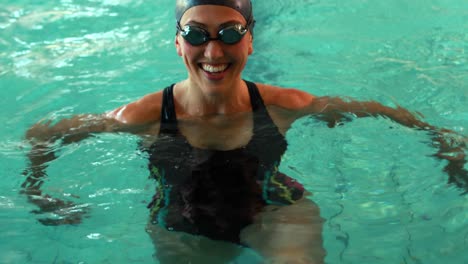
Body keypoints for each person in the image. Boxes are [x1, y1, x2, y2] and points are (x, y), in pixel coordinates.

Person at [22, 0, 467, 263]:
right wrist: (38, 190)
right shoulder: (145, 115)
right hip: (180, 221)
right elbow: (43, 133)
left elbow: (381, 111)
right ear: (177, 43)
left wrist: (447, 144)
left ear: (251, 40)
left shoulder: (282, 105)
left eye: (230, 33)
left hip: (277, 209)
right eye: (196, 34)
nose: (213, 50)